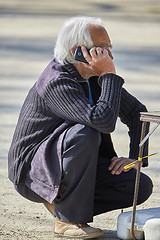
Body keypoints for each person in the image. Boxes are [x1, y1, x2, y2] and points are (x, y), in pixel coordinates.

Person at [8, 16, 153, 239]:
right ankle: (66, 220)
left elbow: (136, 113)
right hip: (33, 171)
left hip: (69, 164)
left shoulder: (92, 76)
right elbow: (102, 122)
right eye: (102, 49)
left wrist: (136, 158)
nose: (109, 56)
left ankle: (63, 205)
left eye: (109, 48)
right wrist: (109, 75)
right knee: (86, 131)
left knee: (138, 185)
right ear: (79, 51)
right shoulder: (57, 80)